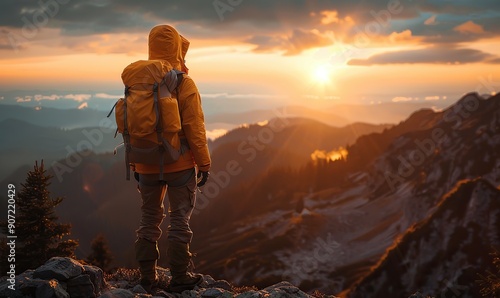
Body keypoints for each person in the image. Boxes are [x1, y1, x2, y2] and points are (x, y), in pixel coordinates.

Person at [132, 24, 211, 293]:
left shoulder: (140, 82)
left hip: (146, 163)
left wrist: (135, 164)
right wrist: (205, 163)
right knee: (179, 220)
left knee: (148, 219)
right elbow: (194, 127)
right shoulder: (184, 82)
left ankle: (146, 277)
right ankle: (179, 276)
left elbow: (133, 128)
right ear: (177, 49)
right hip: (180, 164)